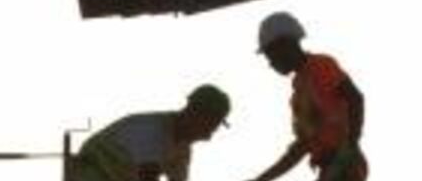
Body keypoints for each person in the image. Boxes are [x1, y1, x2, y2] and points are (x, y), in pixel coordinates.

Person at [245, 12, 367, 181]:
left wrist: (351, 146)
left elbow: (355, 98)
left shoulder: (321, 66)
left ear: (288, 44)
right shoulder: (299, 94)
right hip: (329, 168)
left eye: (272, 55)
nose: (271, 64)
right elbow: (301, 148)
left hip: (344, 167)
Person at [71, 85, 230, 181]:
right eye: (210, 126)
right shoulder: (151, 130)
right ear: (195, 115)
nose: (209, 136)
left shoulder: (181, 148)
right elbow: (148, 177)